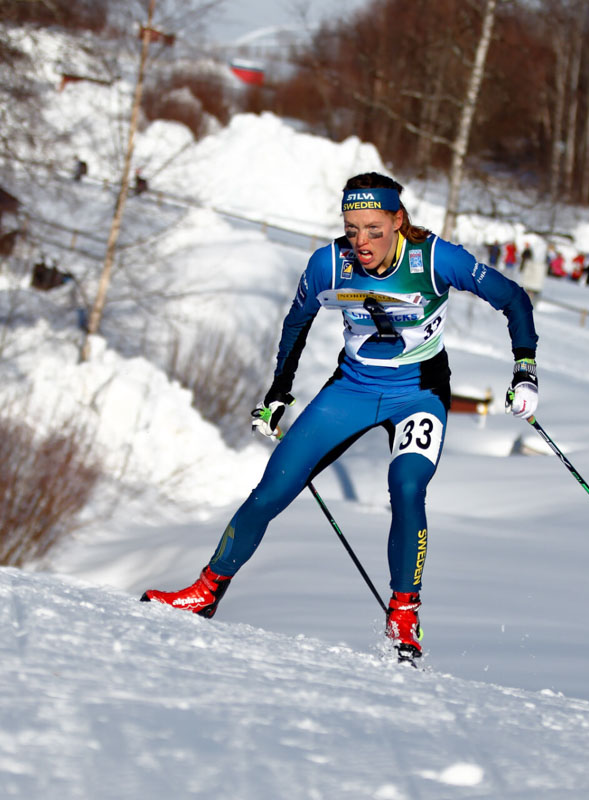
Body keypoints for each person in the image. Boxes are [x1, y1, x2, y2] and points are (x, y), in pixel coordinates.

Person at [141, 172, 540, 663]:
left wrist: (524, 370)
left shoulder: (438, 259)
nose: (362, 242)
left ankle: (404, 613)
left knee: (408, 487)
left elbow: (514, 299)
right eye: (352, 229)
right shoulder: (329, 264)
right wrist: (278, 394)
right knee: (271, 490)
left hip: (418, 393)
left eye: (373, 229)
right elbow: (297, 321)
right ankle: (206, 591)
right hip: (351, 389)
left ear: (398, 220)